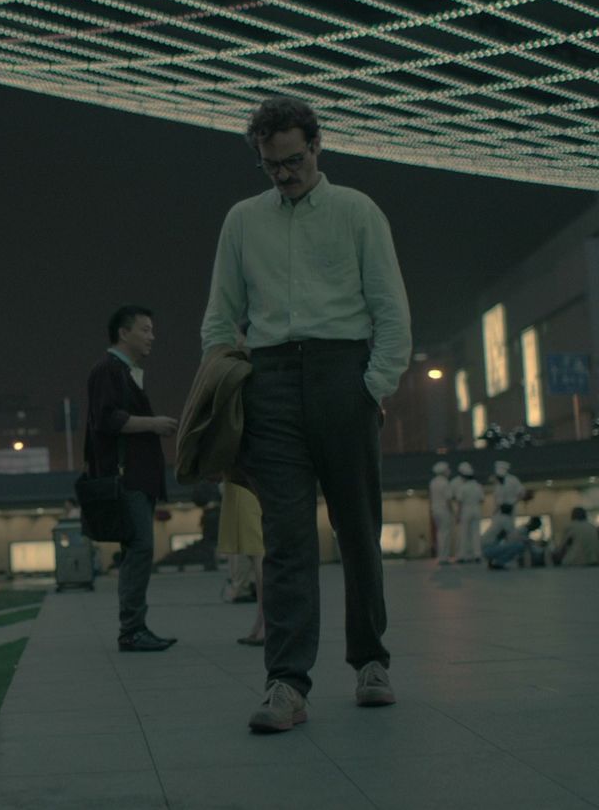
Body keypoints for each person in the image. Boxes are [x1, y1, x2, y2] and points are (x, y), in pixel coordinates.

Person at [201, 96, 412, 733]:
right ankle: (286, 685)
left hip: (342, 375)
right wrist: (232, 381)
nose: (285, 174)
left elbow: (392, 311)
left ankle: (371, 662)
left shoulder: (357, 211)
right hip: (270, 384)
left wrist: (371, 386)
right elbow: (219, 316)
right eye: (272, 165)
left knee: (358, 530)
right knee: (286, 540)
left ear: (317, 147)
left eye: (293, 160)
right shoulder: (242, 221)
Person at [87, 305, 180, 653]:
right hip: (127, 478)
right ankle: (132, 630)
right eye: (145, 329)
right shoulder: (108, 371)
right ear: (124, 333)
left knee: (137, 549)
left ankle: (134, 627)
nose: (152, 336)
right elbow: (107, 420)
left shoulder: (124, 372)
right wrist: (153, 424)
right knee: (140, 548)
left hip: (137, 477)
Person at [218, 481, 266, 646]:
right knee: (255, 550)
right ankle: (262, 620)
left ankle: (265, 622)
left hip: (245, 479)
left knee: (257, 550)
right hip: (243, 480)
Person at [451, 462, 484, 564]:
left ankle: (462, 555)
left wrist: (457, 515)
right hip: (476, 510)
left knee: (464, 533)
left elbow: (459, 502)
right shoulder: (478, 486)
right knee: (476, 534)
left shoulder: (463, 487)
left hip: (466, 511)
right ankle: (477, 554)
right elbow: (482, 500)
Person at [428, 461, 455, 563]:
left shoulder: (433, 482)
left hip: (435, 510)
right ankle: (444, 557)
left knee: (440, 534)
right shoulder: (445, 482)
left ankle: (440, 556)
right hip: (444, 511)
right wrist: (452, 512)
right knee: (446, 533)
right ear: (444, 471)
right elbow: (448, 500)